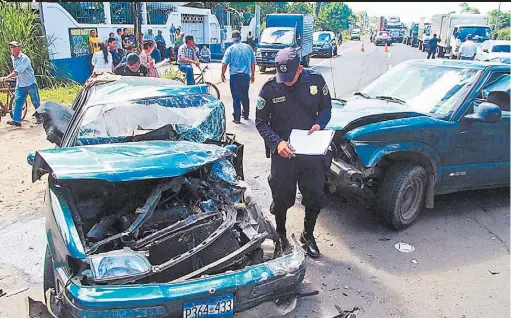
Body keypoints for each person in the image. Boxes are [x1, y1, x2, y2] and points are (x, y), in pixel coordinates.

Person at [255, 47, 332, 258]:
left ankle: (308, 235)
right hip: (283, 154)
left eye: (290, 76)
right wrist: (277, 143)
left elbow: (326, 109)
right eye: (282, 76)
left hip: (311, 152)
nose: (286, 81)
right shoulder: (269, 88)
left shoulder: (316, 82)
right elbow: (261, 123)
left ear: (300, 68)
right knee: (281, 197)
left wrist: (319, 124)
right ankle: (280, 233)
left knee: (314, 195)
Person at [0, 41, 42, 127]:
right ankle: (16, 120)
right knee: (18, 101)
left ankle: (40, 117)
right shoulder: (12, 57)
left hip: (30, 82)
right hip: (20, 83)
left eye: (14, 47)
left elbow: (18, 70)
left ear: (19, 48)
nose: (12, 49)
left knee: (35, 101)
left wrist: (6, 77)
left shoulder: (25, 58)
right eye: (11, 47)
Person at [221, 30, 256, 123]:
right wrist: (253, 75)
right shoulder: (249, 48)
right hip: (245, 76)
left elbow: (224, 64)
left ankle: (237, 118)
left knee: (236, 97)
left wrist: (222, 74)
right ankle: (246, 114)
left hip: (235, 76)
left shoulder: (230, 49)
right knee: (245, 95)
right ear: (240, 38)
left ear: (233, 38)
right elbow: (253, 63)